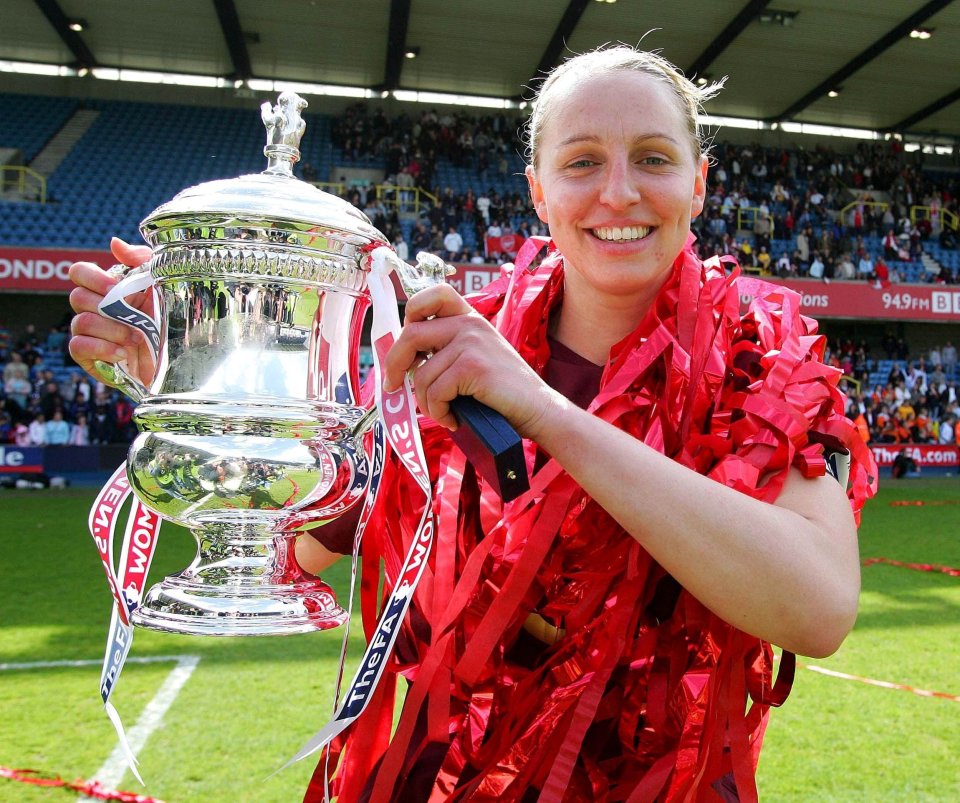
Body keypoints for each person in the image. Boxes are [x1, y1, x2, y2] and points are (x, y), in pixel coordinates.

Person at [68, 46, 875, 802]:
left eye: (654, 159)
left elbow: (818, 608)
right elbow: (302, 558)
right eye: (583, 161)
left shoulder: (764, 357)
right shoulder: (444, 348)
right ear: (537, 191)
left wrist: (543, 410)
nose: (620, 192)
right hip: (451, 775)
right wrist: (212, 397)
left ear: (698, 184)